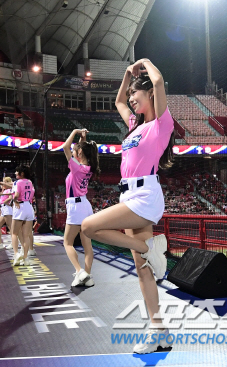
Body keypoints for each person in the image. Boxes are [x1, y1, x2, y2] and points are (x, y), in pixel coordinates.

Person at [81, 58, 174, 354]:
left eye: (137, 94)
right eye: (132, 94)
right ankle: (159, 331)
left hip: (144, 195)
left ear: (149, 96)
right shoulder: (135, 126)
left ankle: (151, 249)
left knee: (89, 227)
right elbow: (118, 100)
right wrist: (126, 75)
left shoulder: (160, 125)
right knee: (143, 270)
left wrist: (145, 63)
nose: (131, 99)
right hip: (129, 196)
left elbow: (159, 82)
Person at [62, 128, 100, 287]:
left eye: (76, 151)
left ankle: (79, 271)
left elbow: (65, 147)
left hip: (75, 206)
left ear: (80, 154)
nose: (73, 151)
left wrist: (74, 131)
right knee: (87, 246)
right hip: (85, 205)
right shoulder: (89, 167)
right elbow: (81, 149)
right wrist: (83, 138)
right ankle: (88, 277)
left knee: (67, 243)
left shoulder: (76, 167)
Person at [9, 165, 35, 266]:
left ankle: (16, 255)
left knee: (14, 233)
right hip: (29, 207)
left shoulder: (17, 182)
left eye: (17, 171)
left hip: (20, 207)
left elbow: (16, 195)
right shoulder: (30, 182)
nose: (15, 173)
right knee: (26, 236)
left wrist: (14, 200)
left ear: (22, 173)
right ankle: (25, 258)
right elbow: (32, 194)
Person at [0, 177, 15, 250]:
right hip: (3, 209)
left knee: (10, 227)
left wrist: (5, 201)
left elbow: (11, 197)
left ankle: (13, 243)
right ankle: (0, 243)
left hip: (7, 209)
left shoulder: (9, 189)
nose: (3, 183)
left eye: (4, 182)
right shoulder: (5, 190)